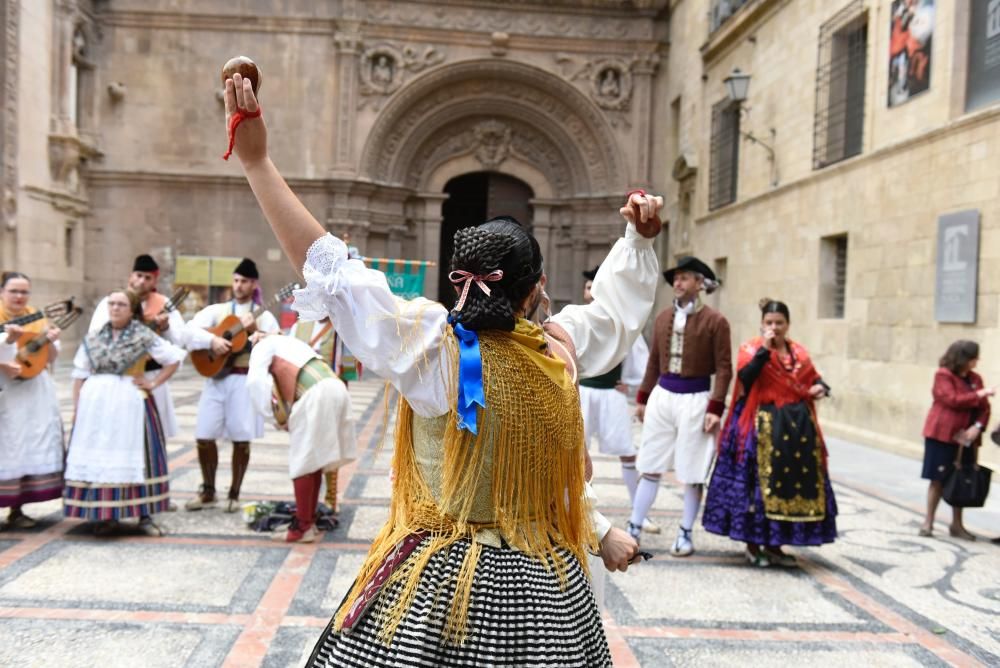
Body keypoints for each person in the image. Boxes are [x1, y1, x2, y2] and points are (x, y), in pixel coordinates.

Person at [220, 69, 659, 666]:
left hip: (436, 578)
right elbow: (611, 316)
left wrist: (257, 163)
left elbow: (333, 271)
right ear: (539, 290)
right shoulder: (559, 347)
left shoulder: (431, 347)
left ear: (459, 280)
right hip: (545, 583)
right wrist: (635, 240)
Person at [702, 299, 837, 567]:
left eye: (779, 323)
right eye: (769, 323)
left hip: (795, 431)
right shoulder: (750, 349)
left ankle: (776, 545)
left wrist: (821, 387)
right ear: (762, 324)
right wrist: (765, 349)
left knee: (790, 486)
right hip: (757, 427)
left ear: (788, 325)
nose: (774, 327)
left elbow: (813, 378)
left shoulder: (798, 352)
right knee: (756, 488)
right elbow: (747, 377)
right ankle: (753, 544)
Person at [630, 257, 732, 556]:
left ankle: (686, 533)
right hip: (664, 395)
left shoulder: (716, 321)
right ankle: (634, 526)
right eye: (675, 278)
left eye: (685, 278)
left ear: (700, 284)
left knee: (692, 469)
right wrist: (643, 398)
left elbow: (725, 368)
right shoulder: (662, 317)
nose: (677, 282)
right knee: (649, 462)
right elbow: (653, 361)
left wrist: (715, 408)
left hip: (696, 399)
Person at [64, 288, 185, 536]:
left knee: (139, 455)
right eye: (112, 304)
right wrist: (77, 408)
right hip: (96, 405)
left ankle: (145, 514)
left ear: (132, 310)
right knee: (100, 455)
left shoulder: (143, 335)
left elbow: (173, 358)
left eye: (121, 304)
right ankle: (104, 514)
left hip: (130, 402)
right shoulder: (95, 337)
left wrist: (153, 382)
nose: (115, 308)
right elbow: (79, 373)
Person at [88, 254, 228, 439]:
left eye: (148, 277)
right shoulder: (113, 302)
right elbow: (95, 338)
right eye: (138, 275)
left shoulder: (164, 304)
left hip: (152, 375)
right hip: (118, 377)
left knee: (150, 435)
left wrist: (167, 327)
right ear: (131, 276)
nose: (142, 281)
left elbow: (181, 339)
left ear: (155, 279)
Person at [186, 259, 280, 513]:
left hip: (242, 379)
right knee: (204, 435)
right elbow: (188, 331)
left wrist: (256, 329)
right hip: (215, 379)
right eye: (236, 280)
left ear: (254, 284)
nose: (239, 286)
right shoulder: (216, 311)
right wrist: (212, 340)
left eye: (245, 281)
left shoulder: (264, 314)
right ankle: (208, 491)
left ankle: (234, 494)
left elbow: (278, 343)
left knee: (241, 437)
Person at [245, 332, 356, 542]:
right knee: (313, 461)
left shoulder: (263, 345)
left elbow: (255, 383)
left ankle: (302, 527)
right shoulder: (291, 343)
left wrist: (275, 419)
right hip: (336, 387)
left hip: (316, 393)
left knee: (302, 460)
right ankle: (308, 521)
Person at [579, 265, 657, 533]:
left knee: (627, 452)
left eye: (596, 287)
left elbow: (640, 359)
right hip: (582, 393)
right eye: (588, 287)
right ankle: (577, 510)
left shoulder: (621, 322)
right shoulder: (578, 319)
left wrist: (631, 384)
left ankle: (639, 511)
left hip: (611, 393)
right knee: (576, 452)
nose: (592, 292)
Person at [0, 272, 65, 529]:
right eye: (14, 291)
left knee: (24, 446)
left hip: (32, 392)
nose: (19, 297)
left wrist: (50, 342)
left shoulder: (38, 319)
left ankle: (18, 508)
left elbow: (48, 359)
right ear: (2, 291)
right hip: (4, 392)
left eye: (24, 292)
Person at [919, 340, 993, 541]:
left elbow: (984, 408)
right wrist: (978, 394)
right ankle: (928, 521)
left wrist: (977, 427)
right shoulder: (943, 375)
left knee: (961, 478)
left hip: (967, 438)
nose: (976, 361)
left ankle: (957, 524)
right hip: (942, 435)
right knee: (937, 479)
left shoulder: (975, 378)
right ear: (963, 358)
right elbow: (951, 399)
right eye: (973, 358)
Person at [287, 314, 361, 516]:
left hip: (330, 394)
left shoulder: (341, 326)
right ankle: (306, 502)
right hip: (304, 394)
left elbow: (348, 366)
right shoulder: (298, 327)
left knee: (330, 443)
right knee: (305, 446)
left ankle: (330, 498)